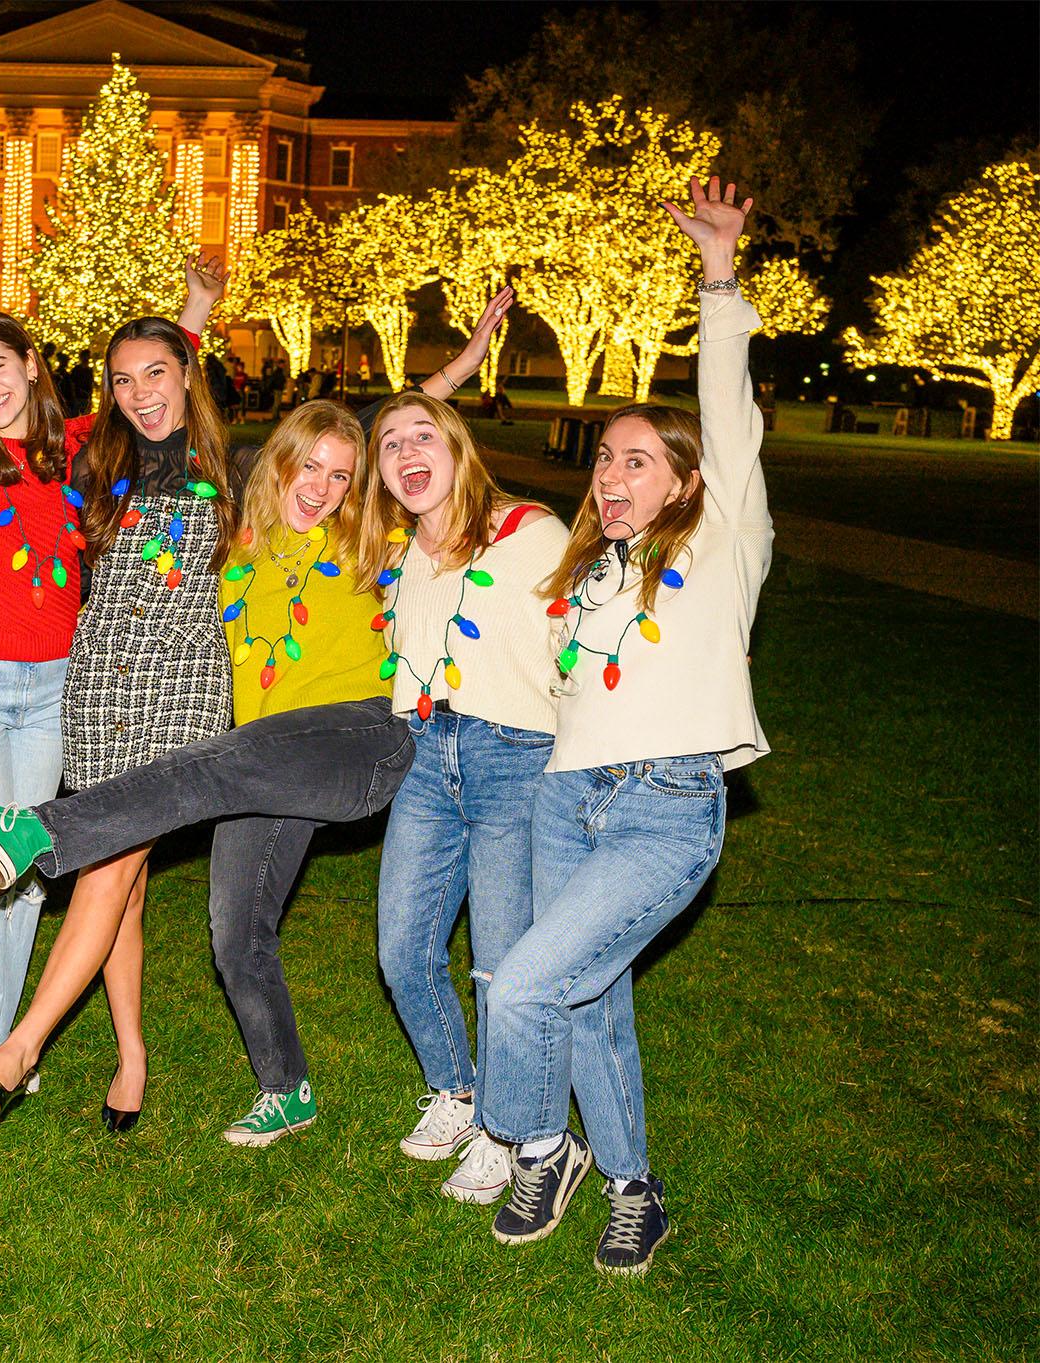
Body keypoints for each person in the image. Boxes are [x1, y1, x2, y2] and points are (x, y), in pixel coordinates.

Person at [0, 296, 513, 1138]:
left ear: (187, 373)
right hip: (102, 677)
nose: (140, 392)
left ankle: (20, 1047)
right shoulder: (90, 457)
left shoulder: (238, 471)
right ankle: (131, 1055)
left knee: (110, 855)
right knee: (119, 882)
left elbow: (343, 443)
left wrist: (456, 371)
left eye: (158, 373)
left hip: (184, 683)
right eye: (124, 379)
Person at [482, 177, 772, 1277]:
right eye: (601, 458)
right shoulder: (587, 573)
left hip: (663, 806)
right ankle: (633, 1190)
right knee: (591, 999)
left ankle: (537, 1144)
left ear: (684, 480)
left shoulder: (719, 543)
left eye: (633, 459)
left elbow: (729, 413)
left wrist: (717, 282)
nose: (609, 474)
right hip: (569, 799)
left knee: (521, 984)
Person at [0, 259, 227, 1095]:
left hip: (60, 682)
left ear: (32, 366)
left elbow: (155, 389)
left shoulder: (83, 446)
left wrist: (194, 309)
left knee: (48, 868)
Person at [358, 376, 566, 1207]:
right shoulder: (396, 556)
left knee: (501, 963)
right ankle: (460, 1089)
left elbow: (585, 631)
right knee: (402, 945)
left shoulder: (529, 530)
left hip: (512, 752)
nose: (407, 452)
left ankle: (509, 1134)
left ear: (457, 448)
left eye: (423, 436)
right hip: (424, 753)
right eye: (391, 443)